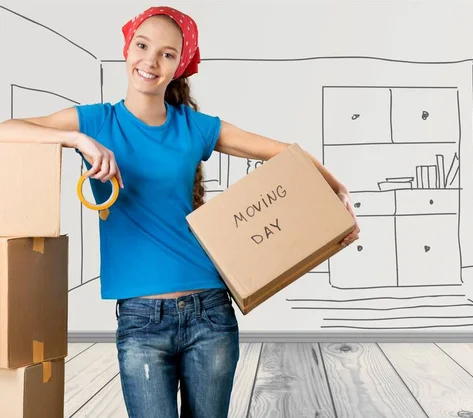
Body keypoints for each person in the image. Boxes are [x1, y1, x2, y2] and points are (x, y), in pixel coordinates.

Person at [0, 5, 359, 418]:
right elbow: (6, 130)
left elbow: (283, 154)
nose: (150, 61)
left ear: (179, 65)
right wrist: (78, 140)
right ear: (127, 48)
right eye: (142, 45)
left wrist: (336, 186)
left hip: (210, 312)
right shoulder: (97, 122)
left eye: (167, 54)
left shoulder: (194, 127)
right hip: (140, 320)